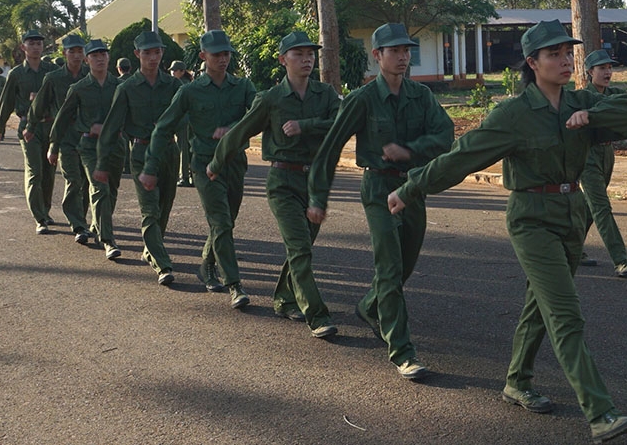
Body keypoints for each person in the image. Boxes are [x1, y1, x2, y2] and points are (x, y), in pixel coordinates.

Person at [386, 20, 627, 442]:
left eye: (568, 53)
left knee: (539, 305)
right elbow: (462, 157)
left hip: (573, 211)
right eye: (554, 55)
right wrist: (412, 187)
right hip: (532, 216)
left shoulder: (578, 102)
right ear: (532, 62)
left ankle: (517, 381)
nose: (565, 61)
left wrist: (590, 113)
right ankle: (601, 413)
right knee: (565, 313)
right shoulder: (513, 114)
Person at [308, 23, 454, 379]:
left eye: (407, 50)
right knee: (389, 268)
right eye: (394, 51)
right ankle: (402, 350)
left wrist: (410, 150)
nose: (403, 57)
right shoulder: (363, 99)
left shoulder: (421, 96)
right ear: (377, 56)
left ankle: (369, 306)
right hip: (377, 188)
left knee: (404, 267)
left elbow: (445, 134)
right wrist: (317, 197)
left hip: (412, 188)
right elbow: (328, 151)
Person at [208, 31, 340, 337]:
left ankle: (283, 298)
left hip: (315, 181)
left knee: (301, 247)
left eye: (310, 54)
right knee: (300, 247)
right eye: (299, 54)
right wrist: (217, 162)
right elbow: (241, 131)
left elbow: (340, 122)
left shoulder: (326, 95)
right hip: (282, 181)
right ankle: (317, 315)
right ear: (283, 60)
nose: (307, 59)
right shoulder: (271, 98)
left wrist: (305, 126)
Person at [142, 30, 256, 309]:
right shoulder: (189, 91)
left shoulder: (243, 87)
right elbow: (163, 128)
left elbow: (259, 116)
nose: (223, 59)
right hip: (205, 166)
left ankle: (206, 265)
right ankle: (235, 284)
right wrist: (150, 166)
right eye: (217, 54)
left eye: (227, 53)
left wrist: (233, 130)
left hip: (234, 163)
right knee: (222, 222)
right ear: (203, 56)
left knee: (226, 220)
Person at [96, 31, 180, 285]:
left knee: (165, 206)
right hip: (142, 152)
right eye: (147, 53)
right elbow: (111, 128)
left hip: (169, 151)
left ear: (162, 53)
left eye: (157, 52)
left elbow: (188, 114)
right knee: (150, 209)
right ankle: (162, 264)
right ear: (137, 54)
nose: (153, 57)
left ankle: (152, 248)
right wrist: (101, 164)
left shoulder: (174, 85)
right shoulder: (127, 88)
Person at [50, 39, 126, 259]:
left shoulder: (121, 86)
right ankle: (108, 240)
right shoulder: (79, 88)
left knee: (111, 190)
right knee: (99, 188)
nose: (100, 58)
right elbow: (64, 119)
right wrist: (54, 146)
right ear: (87, 60)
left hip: (116, 145)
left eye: (103, 54)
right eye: (94, 55)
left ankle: (98, 225)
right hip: (90, 146)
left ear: (109, 57)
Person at [580, 49, 627, 278]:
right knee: (601, 207)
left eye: (610, 68)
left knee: (590, 206)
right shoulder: (582, 97)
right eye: (602, 68)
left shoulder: (613, 93)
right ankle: (620, 260)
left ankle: (572, 249)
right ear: (589, 72)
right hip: (588, 155)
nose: (608, 72)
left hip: (607, 153)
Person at [0, 28, 57, 235]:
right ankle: (39, 218)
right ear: (23, 47)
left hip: (50, 125)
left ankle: (46, 211)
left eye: (39, 43)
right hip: (27, 127)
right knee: (34, 171)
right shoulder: (17, 74)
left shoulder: (51, 71)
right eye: (32, 43)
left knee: (49, 172)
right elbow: (6, 103)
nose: (36, 47)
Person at [27, 34, 89, 241]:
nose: (77, 55)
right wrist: (31, 127)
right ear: (65, 53)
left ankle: (83, 218)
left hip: (88, 137)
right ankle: (78, 225)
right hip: (65, 136)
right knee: (73, 179)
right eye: (72, 51)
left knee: (88, 181)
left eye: (80, 51)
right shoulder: (53, 78)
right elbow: (39, 106)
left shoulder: (90, 75)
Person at [168, 59, 193, 186]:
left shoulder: (181, 85)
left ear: (182, 72)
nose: (172, 72)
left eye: (175, 70)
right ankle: (189, 177)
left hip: (183, 121)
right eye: (172, 70)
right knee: (188, 149)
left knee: (183, 149)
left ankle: (184, 176)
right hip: (186, 120)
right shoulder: (184, 83)